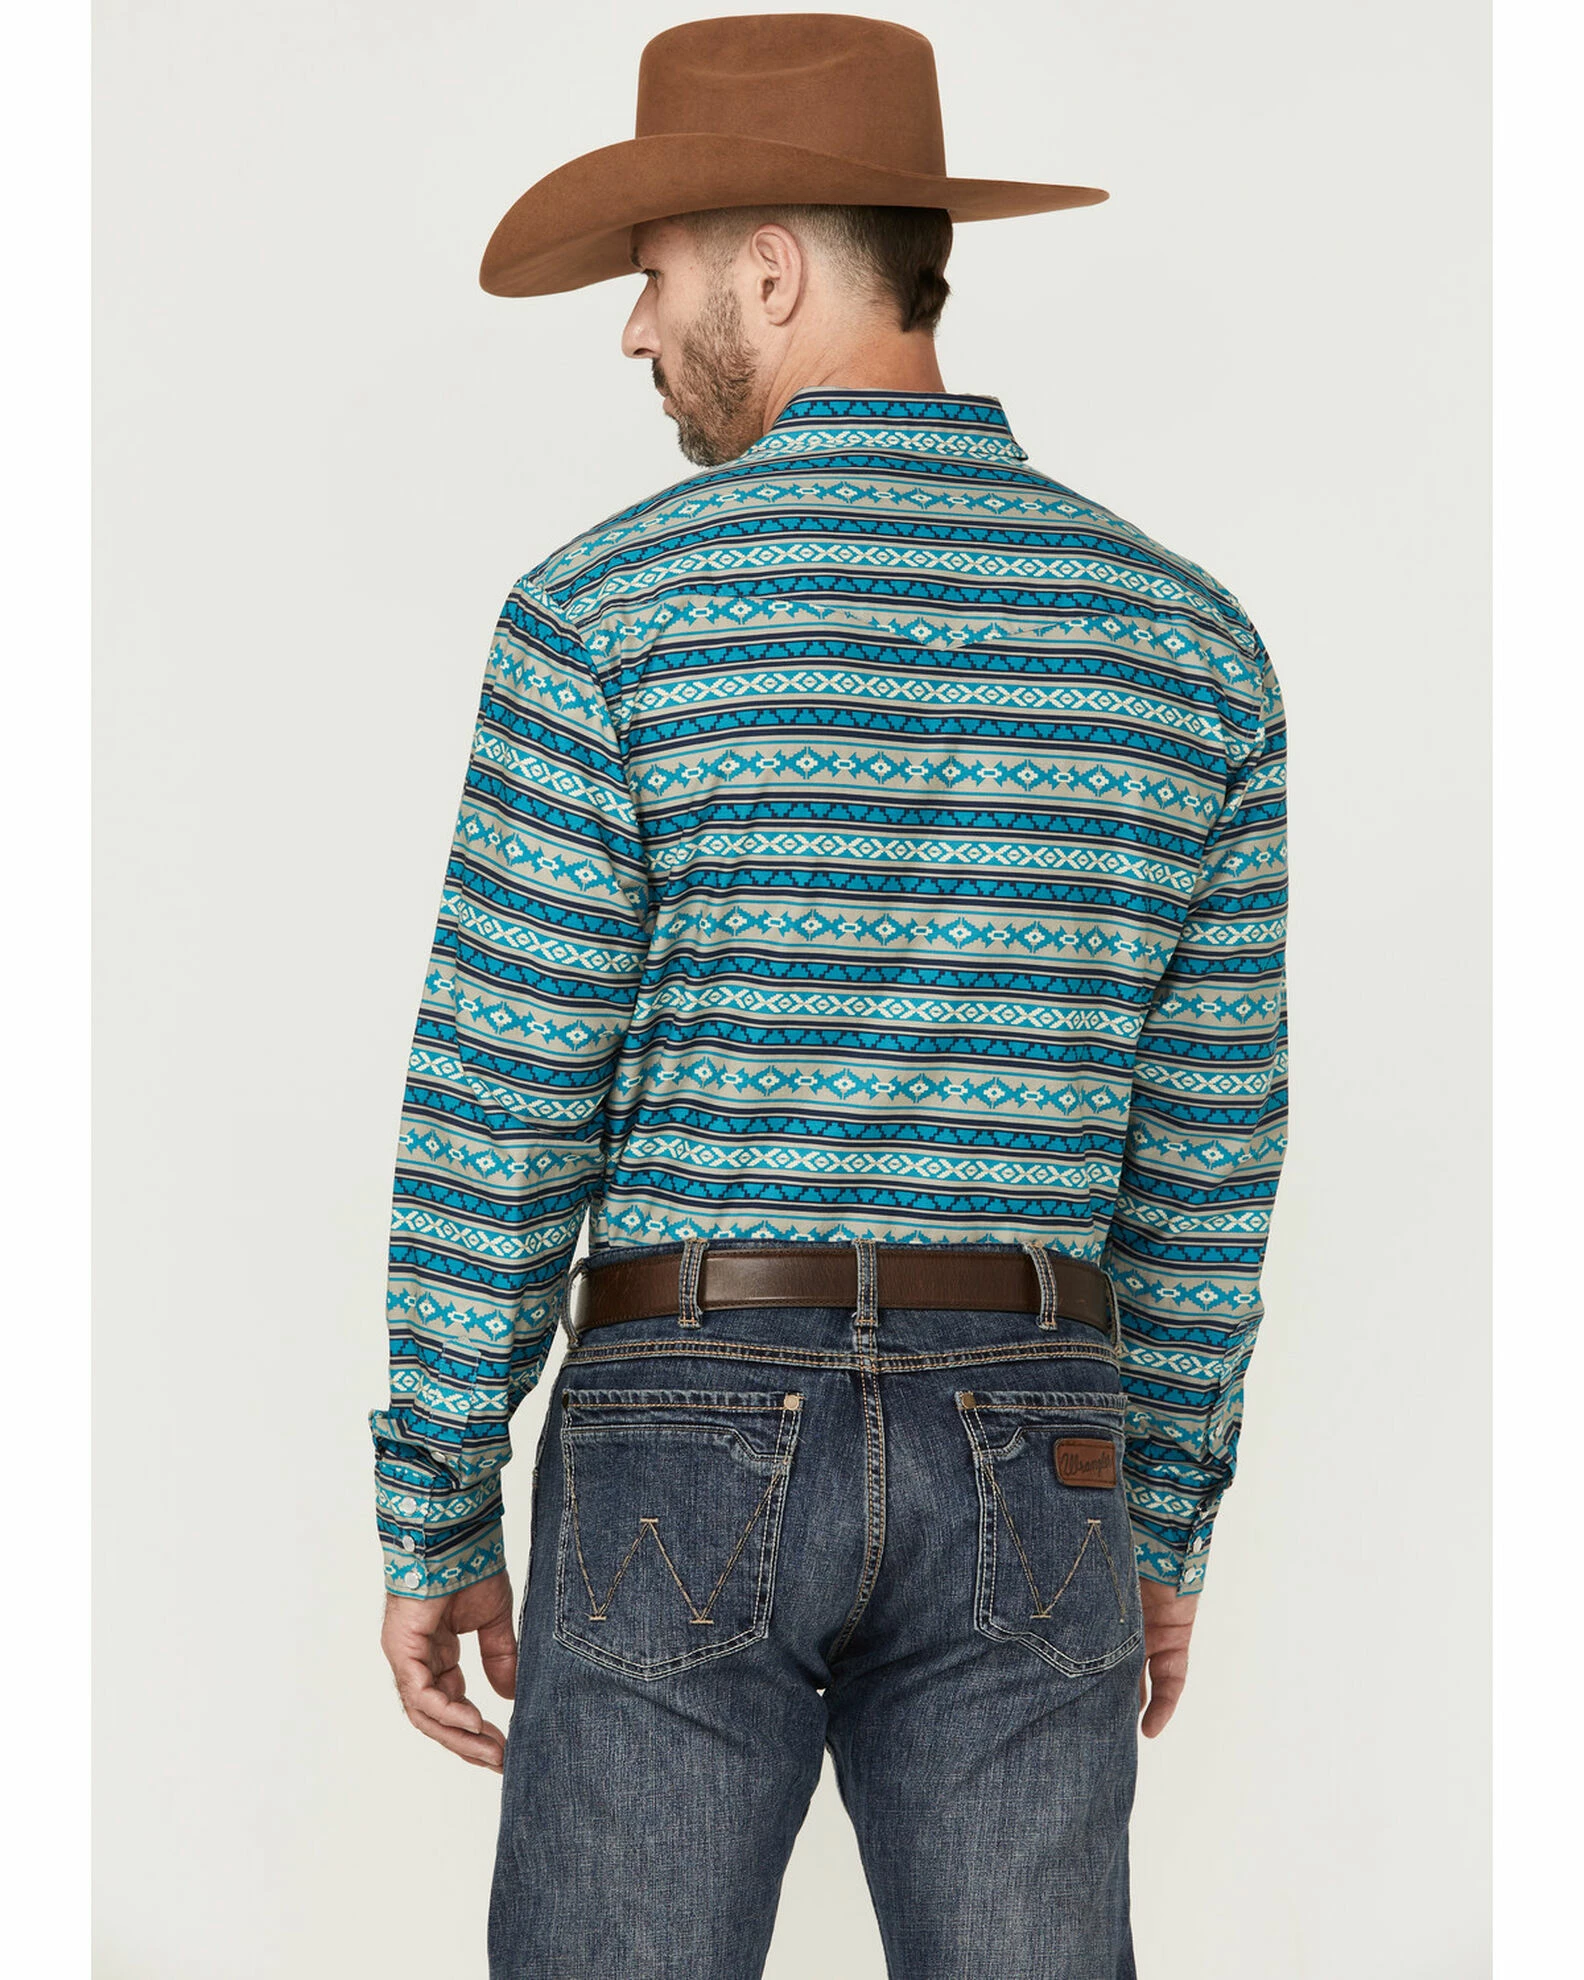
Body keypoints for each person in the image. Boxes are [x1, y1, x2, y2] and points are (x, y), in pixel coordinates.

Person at [371, 15, 1289, 1977]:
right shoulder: (1186, 644)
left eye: (653, 276)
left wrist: (435, 1506)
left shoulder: (606, 621)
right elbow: (1212, 1145)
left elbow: (503, 1097)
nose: (636, 332)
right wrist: (1160, 1515)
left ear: (772, 268)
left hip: (683, 1405)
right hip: (1040, 1416)